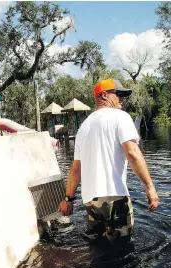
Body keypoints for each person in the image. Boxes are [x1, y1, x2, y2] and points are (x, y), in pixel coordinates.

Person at [58, 79, 159, 245]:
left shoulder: (84, 126)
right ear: (104, 95)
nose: (122, 98)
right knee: (121, 250)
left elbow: (76, 169)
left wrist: (68, 199)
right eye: (118, 94)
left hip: (91, 201)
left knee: (97, 248)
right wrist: (150, 187)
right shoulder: (121, 117)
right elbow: (133, 153)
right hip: (114, 196)